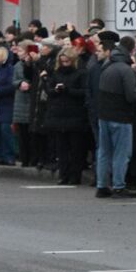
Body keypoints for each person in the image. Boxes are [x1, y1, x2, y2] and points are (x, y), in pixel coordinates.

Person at [94, 38, 136, 198]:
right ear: (132, 50)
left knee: (104, 151)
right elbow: (131, 95)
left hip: (104, 114)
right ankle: (119, 185)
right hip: (121, 115)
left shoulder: (107, 65)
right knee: (122, 152)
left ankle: (102, 185)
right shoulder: (125, 69)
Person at [45, 46, 89, 186]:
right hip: (59, 113)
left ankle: (75, 175)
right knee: (62, 149)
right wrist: (55, 89)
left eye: (67, 61)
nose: (64, 64)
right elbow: (49, 90)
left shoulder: (81, 73)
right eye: (62, 61)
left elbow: (84, 92)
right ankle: (63, 174)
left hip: (75, 114)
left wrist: (68, 90)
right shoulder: (56, 73)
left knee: (75, 148)